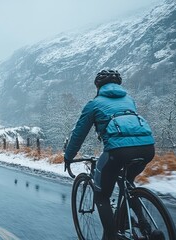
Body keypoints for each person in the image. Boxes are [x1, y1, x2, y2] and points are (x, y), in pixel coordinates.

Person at [64, 70, 155, 240]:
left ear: (98, 86)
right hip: (147, 148)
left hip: (117, 151)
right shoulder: (129, 100)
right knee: (127, 184)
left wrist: (68, 156)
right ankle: (143, 224)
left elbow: (79, 134)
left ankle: (112, 237)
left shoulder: (94, 104)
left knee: (102, 195)